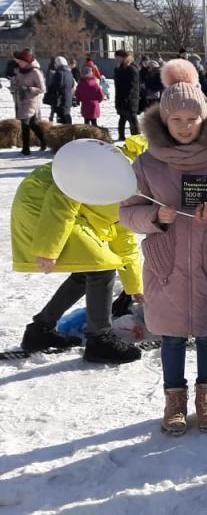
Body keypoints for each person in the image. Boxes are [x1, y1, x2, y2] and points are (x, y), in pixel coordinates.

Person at [120, 59, 207, 436]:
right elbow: (126, 213)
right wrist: (155, 217)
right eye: (177, 120)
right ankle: (174, 399)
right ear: (164, 121)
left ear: (205, 120)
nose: (185, 126)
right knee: (171, 337)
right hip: (166, 266)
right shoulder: (147, 164)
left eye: (193, 119)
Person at [13, 136, 144, 363]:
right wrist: (48, 248)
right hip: (41, 205)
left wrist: (134, 287)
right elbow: (62, 197)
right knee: (102, 267)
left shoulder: (139, 184)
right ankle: (100, 339)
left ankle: (39, 331)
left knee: (90, 268)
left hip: (64, 213)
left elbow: (123, 235)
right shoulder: (115, 165)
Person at [10, 49, 48, 155]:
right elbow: (19, 81)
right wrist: (14, 82)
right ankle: (44, 140)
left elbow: (42, 88)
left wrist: (28, 89)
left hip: (31, 100)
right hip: (21, 99)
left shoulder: (35, 72)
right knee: (32, 123)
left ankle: (25, 149)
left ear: (27, 61)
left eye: (21, 62)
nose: (19, 63)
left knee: (25, 123)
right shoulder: (20, 71)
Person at [113, 50, 140, 140]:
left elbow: (133, 86)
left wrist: (127, 98)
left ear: (123, 57)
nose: (116, 59)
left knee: (132, 119)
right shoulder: (120, 68)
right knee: (122, 118)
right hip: (121, 98)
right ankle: (121, 137)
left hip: (130, 99)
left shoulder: (131, 68)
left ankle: (136, 138)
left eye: (117, 57)